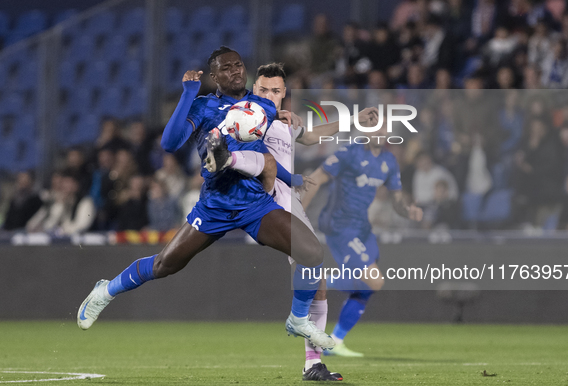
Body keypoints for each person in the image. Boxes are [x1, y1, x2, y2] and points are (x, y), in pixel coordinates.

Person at [76, 47, 334, 355]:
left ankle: (298, 319)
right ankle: (105, 290)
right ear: (214, 77)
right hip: (216, 204)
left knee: (312, 252)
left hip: (254, 203)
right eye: (226, 68)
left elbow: (269, 155)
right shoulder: (203, 106)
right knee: (164, 264)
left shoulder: (263, 106)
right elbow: (170, 143)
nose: (235, 71)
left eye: (238, 65)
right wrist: (187, 94)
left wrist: (289, 171)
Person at [247, 62, 376, 381]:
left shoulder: (287, 125)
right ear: (253, 92)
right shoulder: (244, 118)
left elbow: (314, 135)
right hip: (258, 205)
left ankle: (312, 363)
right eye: (262, 89)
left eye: (275, 91)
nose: (269, 95)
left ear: (284, 94)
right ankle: (299, 325)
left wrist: (353, 120)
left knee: (318, 282)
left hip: (288, 205)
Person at [302, 122, 423, 357]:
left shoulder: (389, 161)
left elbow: (397, 200)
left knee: (366, 289)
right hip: (340, 225)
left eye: (384, 129)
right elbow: (316, 178)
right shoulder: (349, 153)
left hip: (363, 229)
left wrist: (408, 211)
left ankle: (334, 341)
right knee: (375, 281)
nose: (380, 132)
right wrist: (298, 214)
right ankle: (321, 280)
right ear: (365, 131)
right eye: (374, 128)